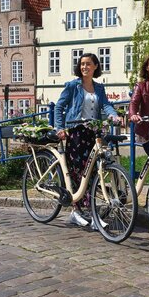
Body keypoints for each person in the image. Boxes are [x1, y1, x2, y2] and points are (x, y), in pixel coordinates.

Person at [54, 53, 119, 227]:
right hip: (76, 132)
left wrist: (113, 115)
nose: (84, 67)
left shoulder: (99, 88)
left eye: (88, 64)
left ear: (96, 66)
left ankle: (88, 211)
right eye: (82, 64)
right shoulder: (73, 86)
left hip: (93, 133)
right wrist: (60, 128)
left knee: (92, 172)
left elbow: (105, 104)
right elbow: (59, 106)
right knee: (78, 171)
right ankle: (76, 211)